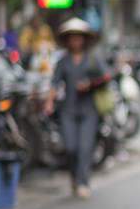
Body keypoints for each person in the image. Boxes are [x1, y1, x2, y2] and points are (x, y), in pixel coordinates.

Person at [44, 18, 110, 199]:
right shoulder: (63, 61)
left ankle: (83, 182)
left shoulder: (93, 59)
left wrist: (90, 85)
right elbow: (54, 83)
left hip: (89, 110)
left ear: (84, 39)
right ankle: (74, 177)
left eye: (78, 37)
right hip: (68, 110)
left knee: (85, 147)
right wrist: (49, 102)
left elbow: (106, 77)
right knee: (71, 147)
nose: (76, 41)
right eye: (72, 38)